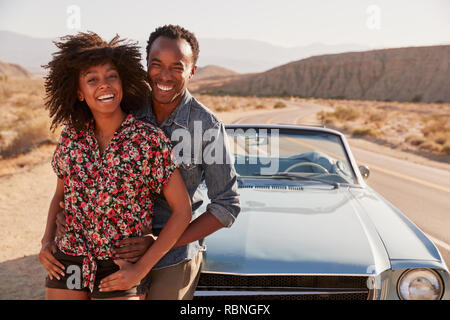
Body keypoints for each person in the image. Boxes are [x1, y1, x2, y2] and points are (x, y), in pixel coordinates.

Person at [38, 31, 192, 300]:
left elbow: (182, 211)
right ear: (80, 92)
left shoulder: (148, 140)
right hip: (69, 260)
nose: (104, 85)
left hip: (119, 264)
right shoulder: (71, 137)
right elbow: (59, 196)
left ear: (123, 82)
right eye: (92, 79)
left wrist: (141, 270)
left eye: (111, 76)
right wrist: (46, 242)